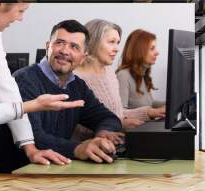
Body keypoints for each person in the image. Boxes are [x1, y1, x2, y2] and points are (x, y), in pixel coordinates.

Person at [0, 3, 84, 167]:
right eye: (21, 11)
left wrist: (31, 149)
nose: (20, 18)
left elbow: (9, 91)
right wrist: (31, 106)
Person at [13, 20, 124, 164]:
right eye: (59, 43)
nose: (65, 51)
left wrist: (103, 134)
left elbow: (107, 117)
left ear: (83, 57)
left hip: (52, 170)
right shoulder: (25, 79)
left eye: (74, 47)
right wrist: (78, 148)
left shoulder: (77, 86)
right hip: (12, 171)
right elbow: (33, 136)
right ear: (48, 46)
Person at [74, 19, 148, 131]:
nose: (117, 49)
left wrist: (149, 112)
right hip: (92, 146)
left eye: (118, 43)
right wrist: (119, 125)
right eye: (111, 42)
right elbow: (76, 128)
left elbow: (117, 113)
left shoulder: (109, 72)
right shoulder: (75, 79)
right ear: (93, 42)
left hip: (115, 141)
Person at [116, 29, 165, 119]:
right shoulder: (123, 76)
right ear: (139, 50)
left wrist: (168, 105)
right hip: (133, 132)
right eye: (152, 48)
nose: (157, 53)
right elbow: (119, 114)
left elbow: (148, 103)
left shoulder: (141, 75)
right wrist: (150, 112)